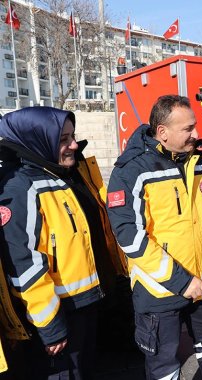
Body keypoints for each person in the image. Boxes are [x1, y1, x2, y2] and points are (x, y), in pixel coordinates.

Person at [106, 95, 202, 380]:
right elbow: (129, 237)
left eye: (194, 126)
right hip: (158, 290)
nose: (196, 135)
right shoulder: (131, 171)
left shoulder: (198, 165)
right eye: (188, 129)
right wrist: (181, 280)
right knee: (164, 365)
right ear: (162, 132)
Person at [0, 107, 126, 379]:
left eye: (72, 136)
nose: (73, 145)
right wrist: (50, 326)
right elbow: (24, 266)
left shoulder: (63, 175)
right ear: (37, 141)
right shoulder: (21, 188)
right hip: (57, 314)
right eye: (62, 139)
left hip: (85, 304)